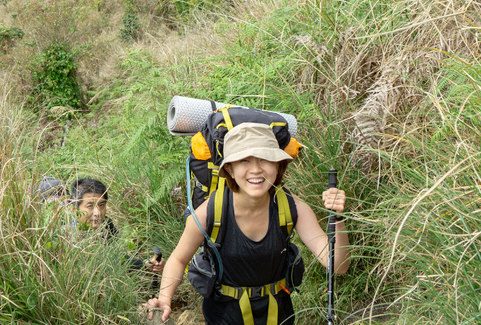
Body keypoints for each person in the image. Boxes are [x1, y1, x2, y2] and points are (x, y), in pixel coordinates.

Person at [141, 123, 349, 324]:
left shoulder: (293, 208)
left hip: (278, 315)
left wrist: (338, 218)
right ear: (230, 170)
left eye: (264, 159)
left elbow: (337, 265)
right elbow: (178, 259)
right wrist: (165, 298)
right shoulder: (209, 213)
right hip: (223, 317)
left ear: (278, 165)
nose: (256, 169)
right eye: (244, 161)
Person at [71, 177, 165, 273]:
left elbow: (117, 259)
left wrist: (145, 264)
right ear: (74, 209)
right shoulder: (64, 236)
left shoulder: (106, 225)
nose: (97, 213)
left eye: (101, 205)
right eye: (90, 206)